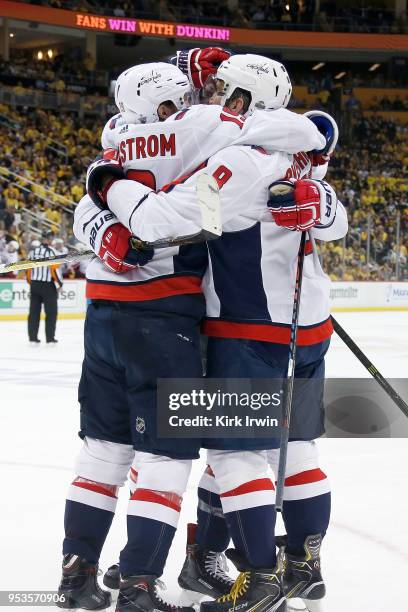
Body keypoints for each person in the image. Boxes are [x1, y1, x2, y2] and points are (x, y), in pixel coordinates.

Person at [59, 55, 325, 611]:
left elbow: (122, 205)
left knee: (107, 452)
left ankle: (79, 576)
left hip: (111, 315)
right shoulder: (206, 134)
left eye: (223, 90)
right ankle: (143, 580)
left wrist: (104, 202)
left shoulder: (119, 140)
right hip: (172, 322)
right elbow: (308, 130)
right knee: (190, 456)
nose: (207, 98)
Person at [27, 230, 62, 344]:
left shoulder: (33, 251)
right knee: (51, 312)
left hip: (35, 285)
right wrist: (60, 284)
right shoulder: (51, 251)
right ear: (49, 238)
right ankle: (50, 338)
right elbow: (55, 270)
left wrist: (31, 283)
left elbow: (28, 269)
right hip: (48, 286)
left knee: (34, 312)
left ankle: (33, 338)